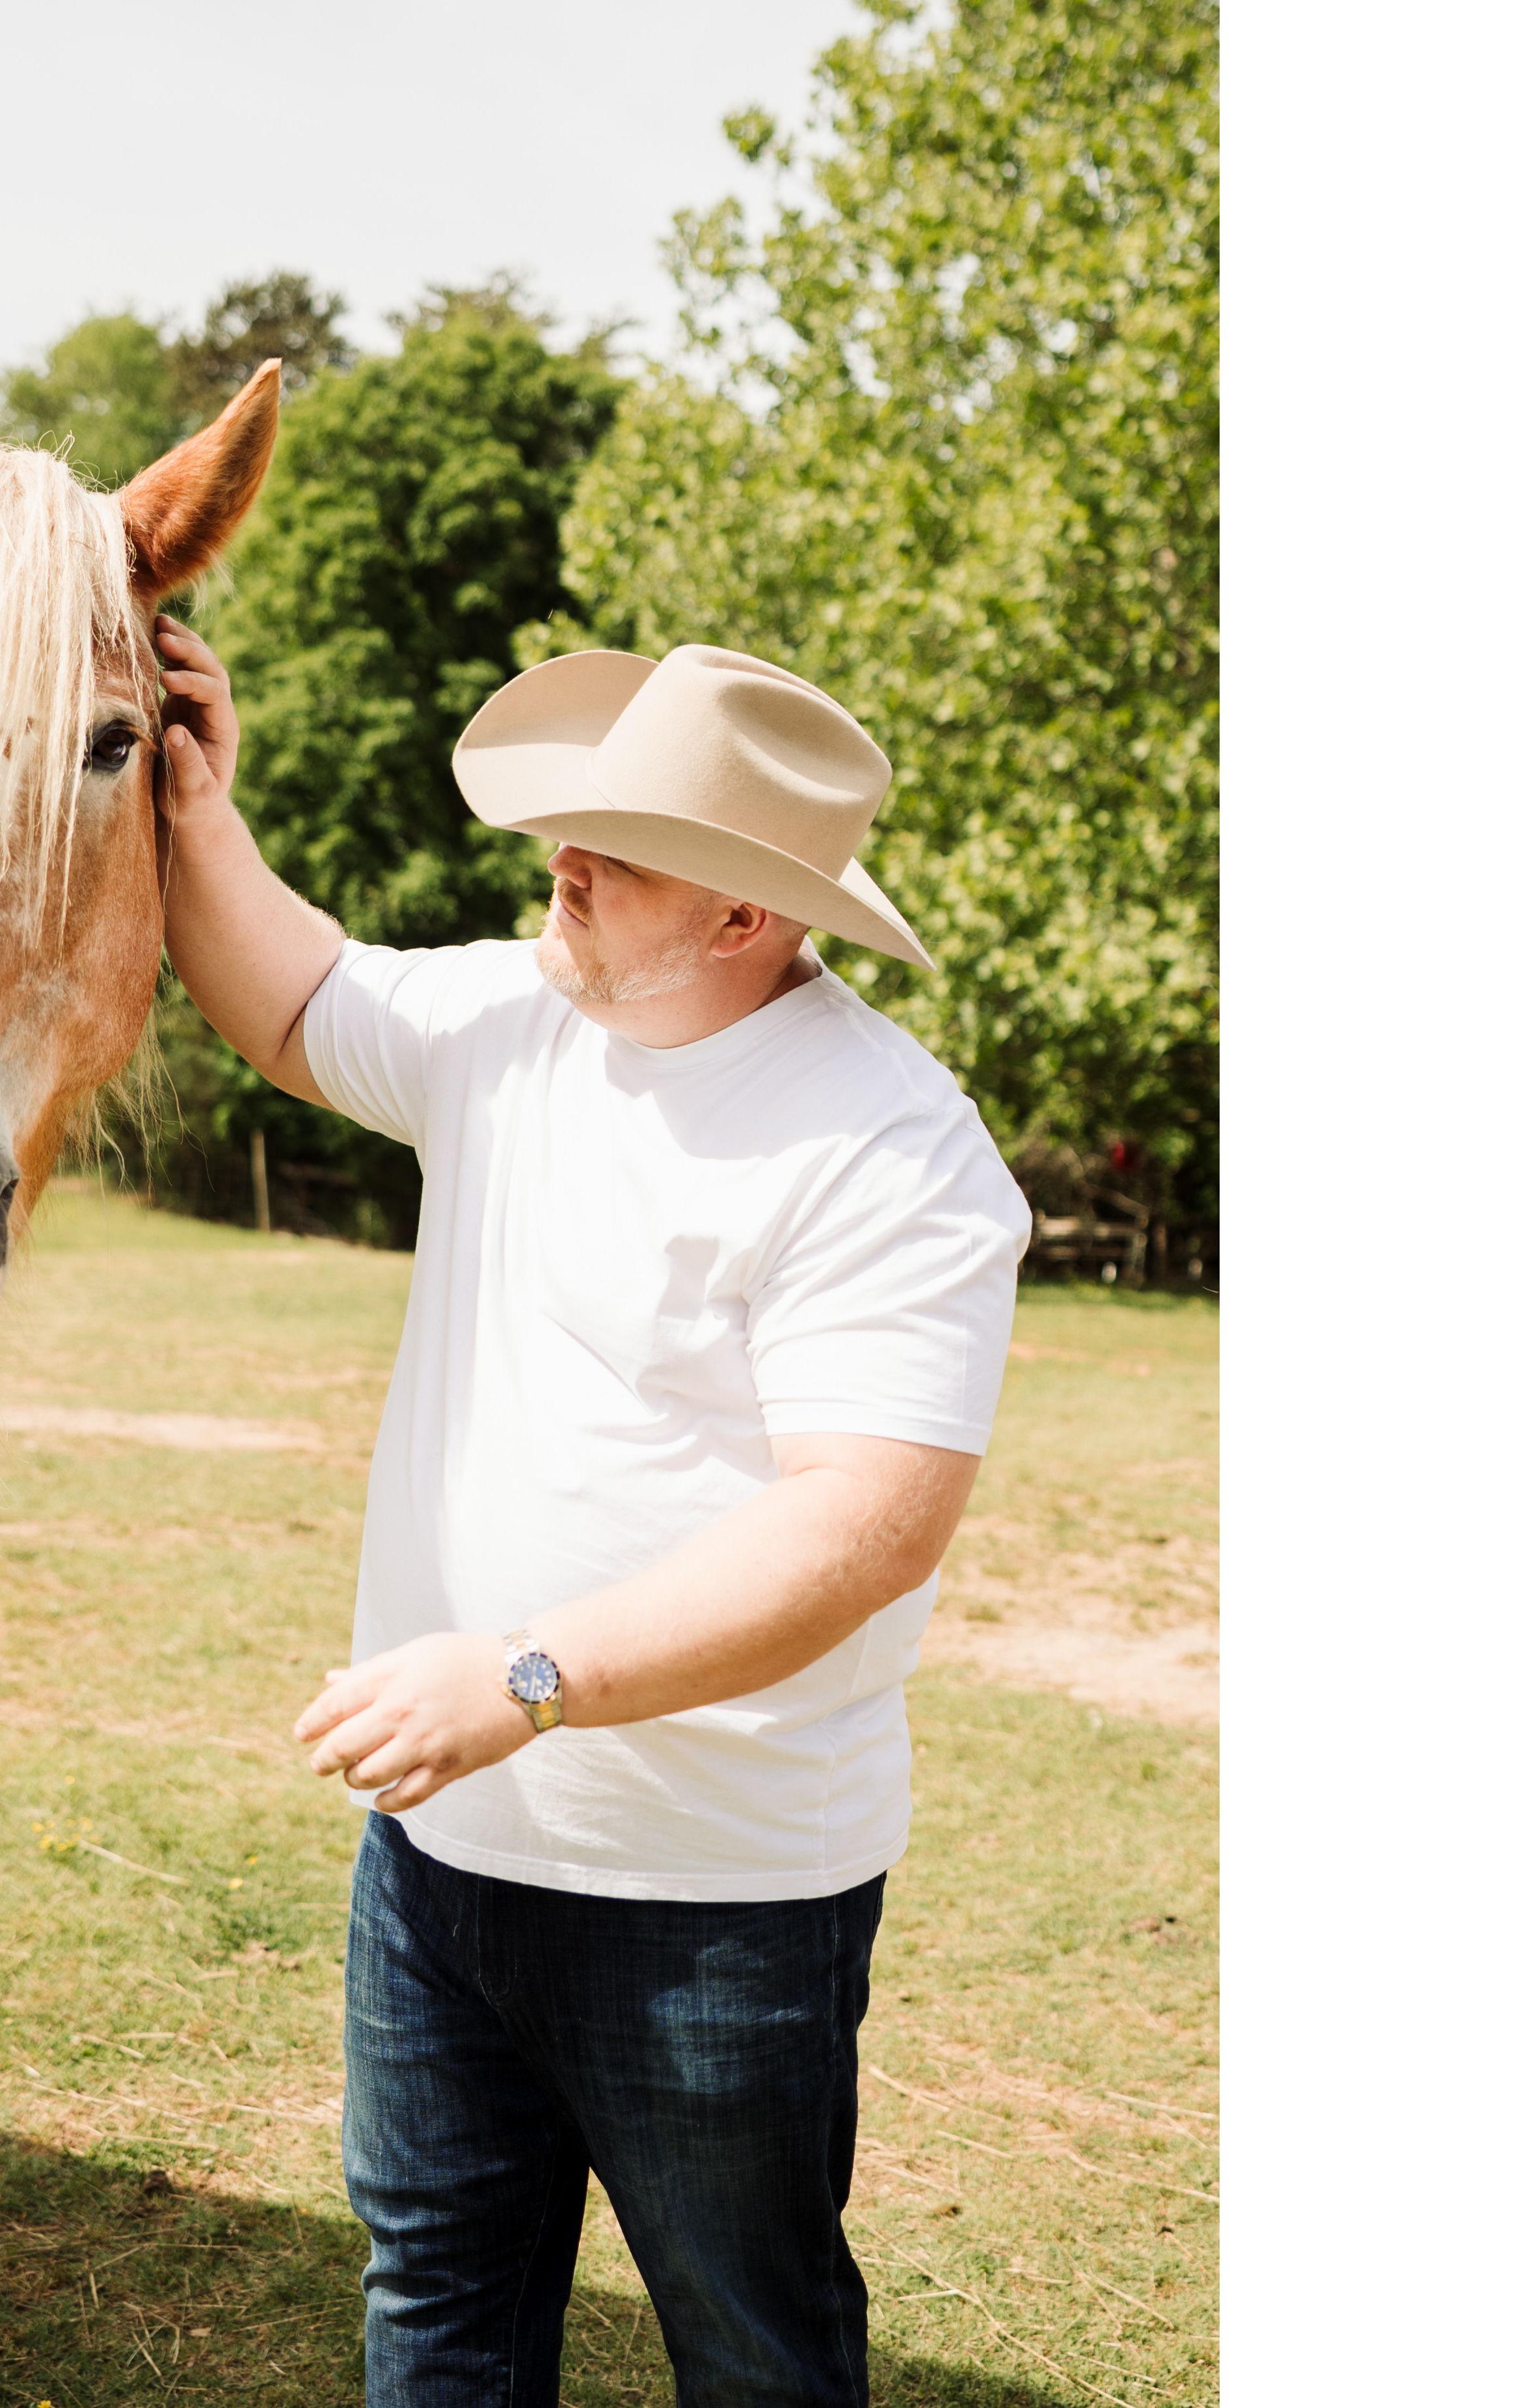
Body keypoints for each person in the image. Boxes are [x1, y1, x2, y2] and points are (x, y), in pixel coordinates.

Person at [153, 622, 1033, 2408]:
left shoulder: (894, 1150)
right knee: (439, 2306)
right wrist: (195, 808)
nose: (568, 855)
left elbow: (858, 1528)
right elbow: (292, 1001)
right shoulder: (512, 1019)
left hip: (716, 1902)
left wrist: (529, 1678)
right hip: (441, 1861)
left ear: (747, 917)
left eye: (624, 846)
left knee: (753, 2351)